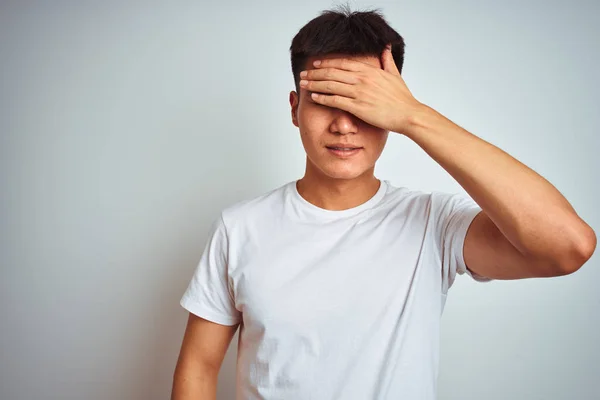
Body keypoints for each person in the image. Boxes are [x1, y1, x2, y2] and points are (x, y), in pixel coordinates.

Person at [171, 6, 596, 400]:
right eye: (325, 100)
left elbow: (568, 247)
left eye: (363, 103)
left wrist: (414, 115)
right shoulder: (240, 227)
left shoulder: (434, 223)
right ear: (295, 108)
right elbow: (199, 366)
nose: (343, 124)